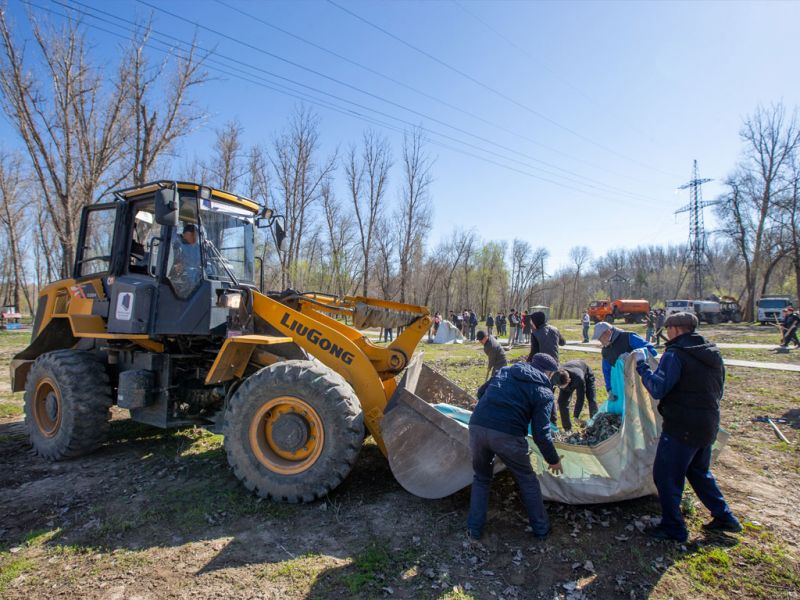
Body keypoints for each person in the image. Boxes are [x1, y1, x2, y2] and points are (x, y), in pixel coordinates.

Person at [633, 312, 742, 542]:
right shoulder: (711, 352)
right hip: (708, 423)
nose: (666, 332)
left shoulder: (675, 354)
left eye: (668, 328)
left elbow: (657, 388)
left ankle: (673, 528)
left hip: (682, 427)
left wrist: (642, 367)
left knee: (665, 475)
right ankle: (725, 517)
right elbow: (719, 389)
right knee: (698, 471)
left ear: (675, 329)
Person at [467, 354, 564, 541]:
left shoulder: (506, 371)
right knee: (527, 480)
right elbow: (541, 434)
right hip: (507, 435)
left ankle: (474, 530)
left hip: (477, 427)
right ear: (550, 374)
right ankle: (541, 530)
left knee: (481, 478)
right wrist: (553, 460)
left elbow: (480, 393)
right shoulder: (544, 392)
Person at [592, 321, 657, 402]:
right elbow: (606, 370)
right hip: (622, 386)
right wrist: (609, 389)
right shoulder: (605, 350)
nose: (599, 341)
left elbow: (652, 351)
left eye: (600, 337)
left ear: (608, 332)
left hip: (640, 382)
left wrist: (632, 356)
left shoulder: (628, 337)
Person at [554, 360, 598, 431]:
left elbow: (580, 397)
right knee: (562, 402)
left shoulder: (579, 378)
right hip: (568, 375)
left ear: (569, 380)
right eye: (559, 387)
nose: (560, 388)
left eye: (563, 386)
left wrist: (576, 416)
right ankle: (568, 429)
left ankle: (596, 424)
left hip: (587, 375)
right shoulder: (556, 376)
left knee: (591, 399)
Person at [170, 223, 202, 297]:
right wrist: (176, 267)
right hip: (179, 280)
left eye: (196, 236)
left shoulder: (199, 249)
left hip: (196, 280)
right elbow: (171, 263)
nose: (195, 238)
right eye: (192, 235)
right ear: (185, 234)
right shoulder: (176, 244)